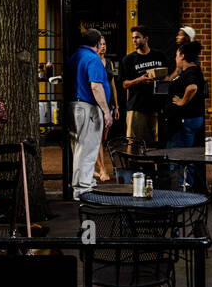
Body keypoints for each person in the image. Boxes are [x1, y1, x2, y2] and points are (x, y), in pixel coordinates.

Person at [65, 27, 112, 201]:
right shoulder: (93, 58)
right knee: (87, 149)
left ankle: (81, 185)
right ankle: (83, 189)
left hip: (73, 105)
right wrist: (106, 111)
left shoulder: (74, 56)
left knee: (77, 148)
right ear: (98, 43)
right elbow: (96, 86)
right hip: (87, 107)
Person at [166, 40, 206, 191]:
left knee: (180, 156)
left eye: (177, 55)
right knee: (184, 155)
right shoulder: (190, 71)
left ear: (182, 56)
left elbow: (192, 88)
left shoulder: (191, 72)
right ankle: (184, 188)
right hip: (189, 119)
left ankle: (182, 191)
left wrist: (182, 102)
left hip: (185, 121)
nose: (175, 59)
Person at [120, 25, 166, 148]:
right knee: (133, 141)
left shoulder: (159, 55)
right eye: (133, 38)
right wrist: (139, 80)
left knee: (154, 142)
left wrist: (156, 80)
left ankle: (151, 167)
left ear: (146, 39)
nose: (134, 40)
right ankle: (133, 166)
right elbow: (124, 84)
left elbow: (167, 77)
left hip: (155, 105)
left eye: (137, 38)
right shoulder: (128, 60)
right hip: (136, 106)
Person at [93, 35, 120, 182]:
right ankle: (102, 169)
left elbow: (113, 85)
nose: (103, 46)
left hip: (108, 105)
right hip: (97, 104)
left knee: (103, 139)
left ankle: (93, 167)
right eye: (100, 44)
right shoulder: (93, 61)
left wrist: (116, 106)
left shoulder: (109, 62)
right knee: (97, 139)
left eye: (104, 44)